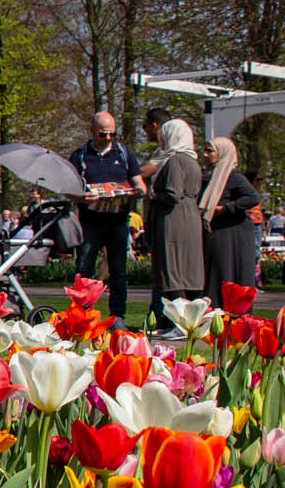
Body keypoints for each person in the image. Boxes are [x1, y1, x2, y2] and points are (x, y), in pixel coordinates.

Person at [69, 111, 140, 319]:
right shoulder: (80, 156)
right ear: (92, 132)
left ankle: (118, 316)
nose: (108, 138)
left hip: (118, 219)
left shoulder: (124, 154)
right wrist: (82, 198)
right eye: (103, 134)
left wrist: (136, 192)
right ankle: (81, 314)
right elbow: (68, 189)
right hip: (91, 220)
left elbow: (138, 183)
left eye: (112, 134)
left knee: (118, 270)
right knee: (84, 268)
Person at [145, 119, 206, 331]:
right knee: (186, 268)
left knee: (173, 267)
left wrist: (152, 195)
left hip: (174, 219)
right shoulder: (192, 160)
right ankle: (181, 321)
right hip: (189, 216)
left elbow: (172, 193)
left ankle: (180, 322)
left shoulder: (175, 160)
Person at [200, 136, 262, 303]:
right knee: (217, 269)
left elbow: (252, 197)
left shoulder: (232, 176)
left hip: (232, 231)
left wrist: (226, 208)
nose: (205, 155)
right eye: (205, 150)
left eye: (210, 151)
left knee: (227, 268)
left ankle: (233, 309)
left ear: (222, 153)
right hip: (218, 229)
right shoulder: (211, 177)